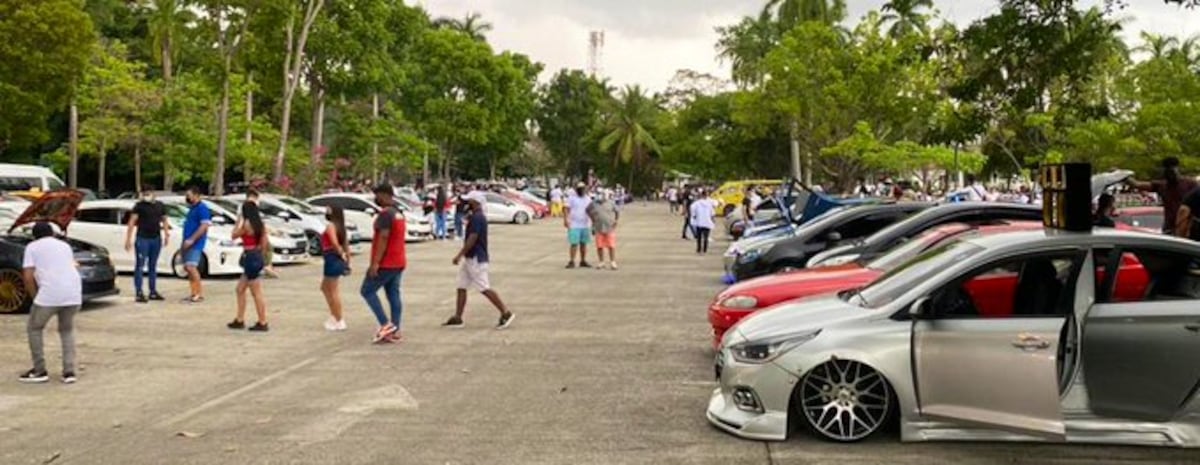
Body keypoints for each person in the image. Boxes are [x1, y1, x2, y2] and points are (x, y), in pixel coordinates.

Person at [19, 222, 82, 384]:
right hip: (73, 293)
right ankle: (69, 372)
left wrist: (35, 297)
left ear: (34, 235)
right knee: (67, 330)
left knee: (34, 328)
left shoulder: (32, 247)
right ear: (52, 233)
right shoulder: (64, 246)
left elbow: (27, 276)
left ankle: (39, 370)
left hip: (49, 294)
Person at [442, 192, 515, 329]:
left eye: (469, 201)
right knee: (461, 285)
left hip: (476, 258)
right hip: (471, 257)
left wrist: (459, 254)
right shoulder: (476, 216)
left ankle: (505, 312)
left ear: (475, 202)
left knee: (484, 287)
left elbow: (472, 238)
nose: (467, 204)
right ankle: (458, 317)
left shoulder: (477, 217)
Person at [361, 184, 408, 343]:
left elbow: (383, 238)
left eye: (377, 195)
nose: (376, 198)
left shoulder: (386, 214)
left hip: (387, 262)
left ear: (385, 194)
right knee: (393, 293)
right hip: (399, 260)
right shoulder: (398, 212)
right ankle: (395, 328)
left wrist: (375, 263)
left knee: (367, 291)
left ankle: (385, 324)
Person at [227, 201, 270, 332]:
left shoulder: (246, 224)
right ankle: (239, 319)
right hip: (256, 255)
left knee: (256, 292)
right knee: (240, 289)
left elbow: (233, 235)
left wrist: (237, 221)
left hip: (250, 256)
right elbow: (265, 243)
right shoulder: (260, 225)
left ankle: (263, 321)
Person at [1128, 157, 1197, 235]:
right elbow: (1137, 184)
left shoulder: (1190, 184)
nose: (1171, 174)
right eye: (1168, 171)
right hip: (1170, 228)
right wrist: (1122, 175)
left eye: (1173, 170)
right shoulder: (1162, 185)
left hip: (1187, 228)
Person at [124, 187, 171, 303]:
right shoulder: (139, 206)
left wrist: (166, 234)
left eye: (148, 193)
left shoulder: (160, 205)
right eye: (144, 194)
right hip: (142, 238)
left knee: (153, 266)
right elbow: (132, 221)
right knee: (140, 265)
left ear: (153, 194)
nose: (146, 196)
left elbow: (164, 220)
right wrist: (128, 239)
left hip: (155, 237)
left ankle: (153, 291)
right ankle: (139, 292)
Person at [321, 206, 350, 331]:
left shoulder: (331, 226)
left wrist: (340, 254)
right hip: (334, 259)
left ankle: (339, 319)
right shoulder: (341, 228)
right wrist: (347, 261)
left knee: (332, 291)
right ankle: (334, 315)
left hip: (332, 257)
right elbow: (347, 246)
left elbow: (334, 242)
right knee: (325, 288)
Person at [181, 187, 212, 303]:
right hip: (187, 241)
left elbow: (204, 226)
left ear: (196, 195)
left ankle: (199, 293)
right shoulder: (192, 209)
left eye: (189, 195)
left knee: (191, 267)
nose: (187, 197)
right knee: (188, 269)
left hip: (195, 243)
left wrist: (192, 239)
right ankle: (193, 292)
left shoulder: (202, 208)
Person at [244, 189, 279, 278]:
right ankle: (265, 266)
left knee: (267, 248)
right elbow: (252, 220)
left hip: (256, 232)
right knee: (263, 248)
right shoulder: (249, 206)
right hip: (255, 233)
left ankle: (266, 266)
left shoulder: (249, 206)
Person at [587, 190, 621, 270]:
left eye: (603, 195)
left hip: (609, 227)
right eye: (600, 195)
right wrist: (592, 219)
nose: (602, 197)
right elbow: (587, 210)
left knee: (611, 246)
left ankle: (612, 262)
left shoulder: (611, 203)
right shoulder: (594, 203)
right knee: (599, 246)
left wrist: (616, 220)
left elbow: (617, 211)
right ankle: (601, 262)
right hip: (598, 227)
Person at [563, 182, 593, 269]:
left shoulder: (588, 198)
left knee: (584, 243)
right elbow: (566, 209)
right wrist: (565, 220)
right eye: (579, 189)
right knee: (574, 243)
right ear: (576, 189)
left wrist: (593, 221)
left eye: (583, 188)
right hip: (574, 224)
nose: (581, 190)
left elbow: (591, 210)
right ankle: (572, 261)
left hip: (585, 224)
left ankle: (583, 261)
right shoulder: (571, 198)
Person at [690, 189, 716, 254]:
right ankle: (705, 250)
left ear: (701, 195)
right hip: (707, 222)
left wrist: (694, 215)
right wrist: (713, 220)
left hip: (699, 222)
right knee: (706, 237)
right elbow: (712, 213)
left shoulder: (697, 203)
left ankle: (699, 249)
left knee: (699, 237)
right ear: (706, 195)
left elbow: (692, 208)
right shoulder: (709, 203)